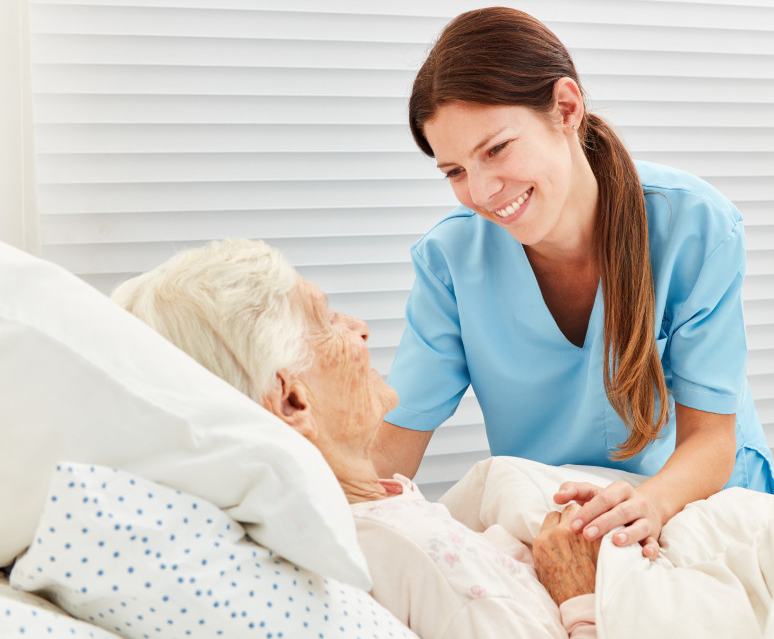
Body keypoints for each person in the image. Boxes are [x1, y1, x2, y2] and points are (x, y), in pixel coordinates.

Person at [374, 6, 774, 559]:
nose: (484, 190)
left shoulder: (695, 227)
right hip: (565, 523)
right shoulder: (451, 260)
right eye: (456, 171)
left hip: (693, 501)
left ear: (566, 109)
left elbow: (711, 440)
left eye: (496, 149)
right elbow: (397, 437)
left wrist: (651, 504)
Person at [110, 237, 599, 639]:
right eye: (326, 320)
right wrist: (579, 594)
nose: (360, 328)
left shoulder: (361, 521)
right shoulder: (427, 560)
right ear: (292, 402)